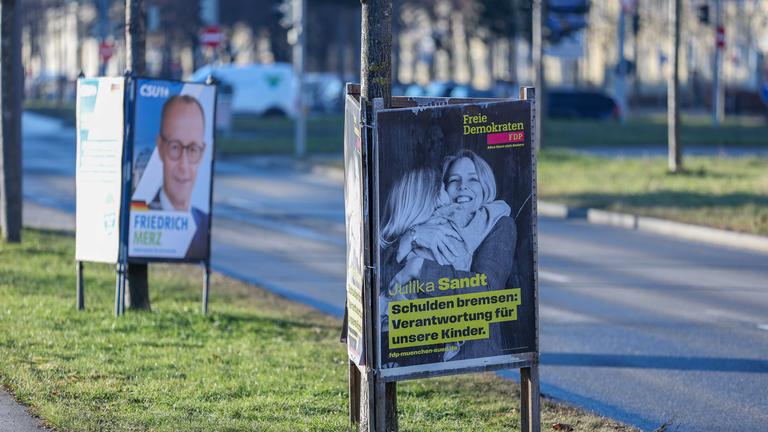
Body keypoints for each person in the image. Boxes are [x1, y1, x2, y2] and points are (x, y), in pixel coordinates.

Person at [387, 149, 517, 363]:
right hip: (416, 344)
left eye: (473, 179)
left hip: (471, 350)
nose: (462, 186)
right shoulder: (429, 219)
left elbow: (488, 291)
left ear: (486, 186)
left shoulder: (499, 223)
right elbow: (386, 273)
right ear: (444, 190)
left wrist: (419, 267)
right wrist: (413, 235)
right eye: (454, 180)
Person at [148, 94, 209, 260]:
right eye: (175, 147)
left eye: (193, 150)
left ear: (202, 152)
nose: (184, 165)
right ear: (160, 148)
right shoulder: (142, 216)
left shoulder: (204, 225)